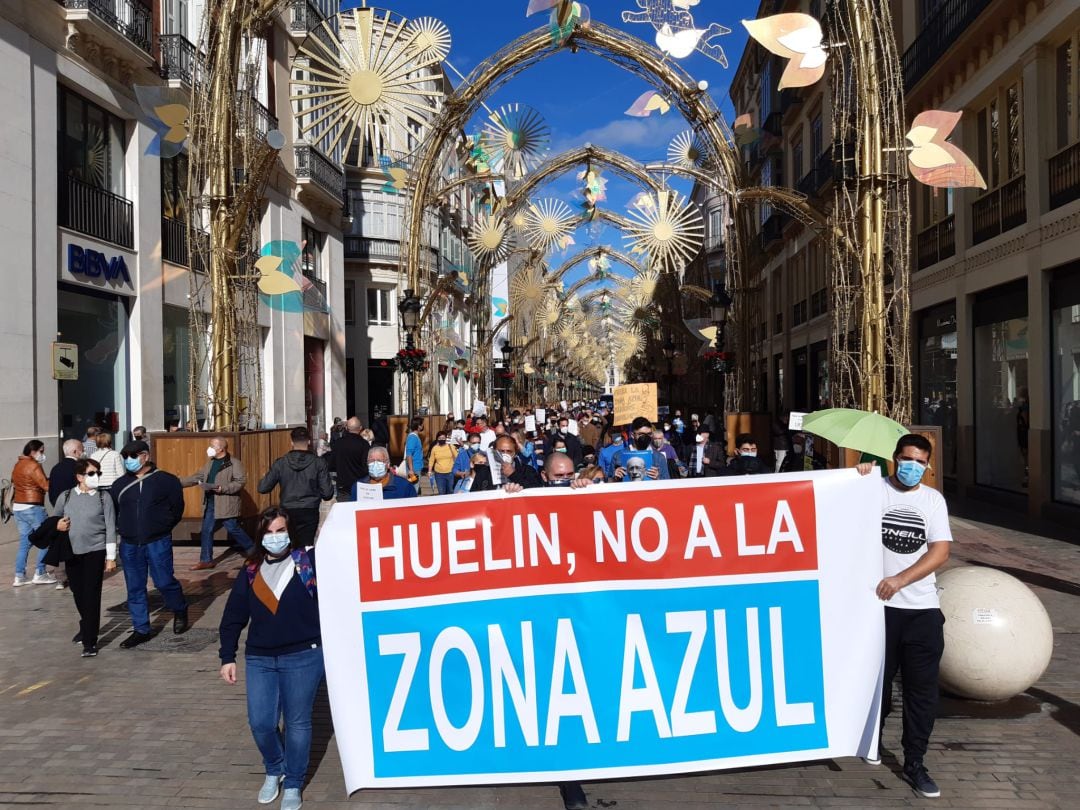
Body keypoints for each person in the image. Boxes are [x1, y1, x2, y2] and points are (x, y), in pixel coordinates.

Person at [857, 435, 952, 799]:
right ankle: (871, 740)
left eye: (920, 462)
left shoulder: (932, 501)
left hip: (921, 608)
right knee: (876, 684)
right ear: (895, 458)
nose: (913, 467)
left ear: (928, 466)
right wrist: (858, 476)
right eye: (907, 459)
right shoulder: (872, 490)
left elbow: (940, 551)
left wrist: (899, 580)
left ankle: (915, 761)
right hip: (876, 610)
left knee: (922, 691)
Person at [502, 451, 589, 810]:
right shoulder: (524, 500)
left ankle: (572, 777)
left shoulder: (582, 496)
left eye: (571, 474)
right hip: (537, 616)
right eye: (559, 475)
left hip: (579, 615)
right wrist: (505, 496)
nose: (566, 479)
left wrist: (589, 491)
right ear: (544, 474)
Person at [219, 508, 322, 810]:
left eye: (281, 531)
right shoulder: (251, 570)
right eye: (269, 532)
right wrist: (227, 656)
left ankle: (293, 781)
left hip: (303, 655)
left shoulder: (307, 563)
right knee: (260, 722)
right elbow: (232, 617)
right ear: (260, 536)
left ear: (290, 533)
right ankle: (274, 767)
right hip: (260, 658)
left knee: (298, 722)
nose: (275, 537)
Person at [113, 440, 188, 648]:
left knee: (163, 581)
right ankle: (141, 629)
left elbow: (177, 508)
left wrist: (162, 526)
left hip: (157, 540)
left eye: (133, 456)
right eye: (126, 456)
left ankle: (179, 608)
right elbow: (115, 511)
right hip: (129, 543)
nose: (129, 460)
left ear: (145, 456)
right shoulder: (120, 485)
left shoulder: (166, 480)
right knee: (135, 587)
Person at [53, 458, 117, 657]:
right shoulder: (66, 496)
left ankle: (90, 641)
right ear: (79, 477)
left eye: (98, 473)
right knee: (78, 593)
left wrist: (111, 557)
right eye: (91, 474)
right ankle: (85, 624)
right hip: (71, 551)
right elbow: (54, 521)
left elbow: (110, 528)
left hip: (95, 552)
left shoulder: (103, 497)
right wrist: (58, 526)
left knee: (91, 595)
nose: (96, 477)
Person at [182, 436, 254, 570]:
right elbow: (197, 477)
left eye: (212, 446)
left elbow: (240, 482)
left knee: (233, 528)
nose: (209, 448)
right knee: (206, 530)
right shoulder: (210, 463)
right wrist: (177, 483)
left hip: (225, 503)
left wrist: (223, 488)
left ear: (221, 449)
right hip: (211, 502)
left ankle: (254, 551)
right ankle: (206, 560)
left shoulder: (234, 463)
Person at [258, 427, 334, 547]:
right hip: (309, 509)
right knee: (306, 546)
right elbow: (327, 493)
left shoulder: (281, 463)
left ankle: (290, 564)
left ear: (292, 442)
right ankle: (304, 565)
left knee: (289, 546)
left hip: (288, 508)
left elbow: (263, 487)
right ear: (309, 441)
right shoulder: (318, 463)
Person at [11, 440, 54, 586]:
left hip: (18, 507)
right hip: (33, 507)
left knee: (25, 542)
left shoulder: (18, 465)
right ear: (33, 451)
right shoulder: (33, 465)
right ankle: (40, 573)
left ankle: (19, 576)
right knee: (46, 539)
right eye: (41, 451)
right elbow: (46, 486)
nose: (43, 454)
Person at [612, 417, 670, 482]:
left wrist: (658, 478)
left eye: (649, 434)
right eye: (641, 434)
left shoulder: (659, 457)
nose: (645, 437)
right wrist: (615, 477)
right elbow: (608, 483)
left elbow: (667, 483)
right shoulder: (618, 456)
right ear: (632, 435)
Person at [333, 417, 371, 502]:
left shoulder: (338, 443)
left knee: (345, 513)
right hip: (360, 485)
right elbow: (366, 465)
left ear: (346, 428)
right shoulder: (364, 445)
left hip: (343, 486)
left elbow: (332, 464)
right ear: (360, 428)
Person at [48, 439, 84, 506]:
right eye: (82, 450)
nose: (83, 453)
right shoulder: (79, 468)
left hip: (59, 506)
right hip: (76, 507)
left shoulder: (55, 468)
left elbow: (51, 491)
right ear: (75, 452)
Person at [427, 431, 456, 496]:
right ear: (437, 439)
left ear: (446, 438)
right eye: (439, 438)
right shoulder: (435, 448)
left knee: (450, 491)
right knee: (441, 492)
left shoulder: (451, 446)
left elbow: (457, 457)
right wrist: (429, 471)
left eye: (443, 438)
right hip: (439, 474)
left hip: (450, 472)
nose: (441, 439)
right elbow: (431, 460)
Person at [403, 419, 425, 492]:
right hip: (414, 468)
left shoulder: (415, 436)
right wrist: (411, 469)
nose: (423, 426)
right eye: (422, 424)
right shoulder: (413, 437)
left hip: (416, 467)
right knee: (413, 489)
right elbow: (409, 454)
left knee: (414, 488)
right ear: (419, 426)